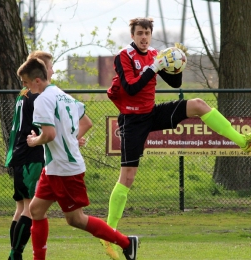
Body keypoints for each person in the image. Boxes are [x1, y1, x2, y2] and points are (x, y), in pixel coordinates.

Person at [104, 17, 251, 257]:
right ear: (132, 35)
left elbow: (175, 83)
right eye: (139, 33)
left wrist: (173, 62)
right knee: (127, 178)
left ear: (151, 35)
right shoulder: (124, 56)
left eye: (147, 33)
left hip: (151, 113)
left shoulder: (153, 53)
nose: (143, 37)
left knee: (198, 104)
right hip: (132, 120)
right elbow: (130, 88)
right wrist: (153, 67)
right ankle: (108, 234)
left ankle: (243, 141)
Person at [16, 57, 139, 260]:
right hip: (54, 166)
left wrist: (34, 141)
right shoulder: (63, 95)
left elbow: (49, 135)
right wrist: (71, 140)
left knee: (76, 219)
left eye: (26, 83)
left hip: (65, 169)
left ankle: (126, 242)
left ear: (37, 80)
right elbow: (86, 123)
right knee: (36, 210)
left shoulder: (42, 100)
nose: (26, 88)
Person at [5, 51, 54, 260]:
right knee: (30, 208)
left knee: (21, 208)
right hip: (30, 155)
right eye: (49, 66)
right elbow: (43, 128)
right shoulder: (37, 95)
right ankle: (15, 254)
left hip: (17, 154)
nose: (51, 70)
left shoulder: (23, 92)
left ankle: (15, 254)